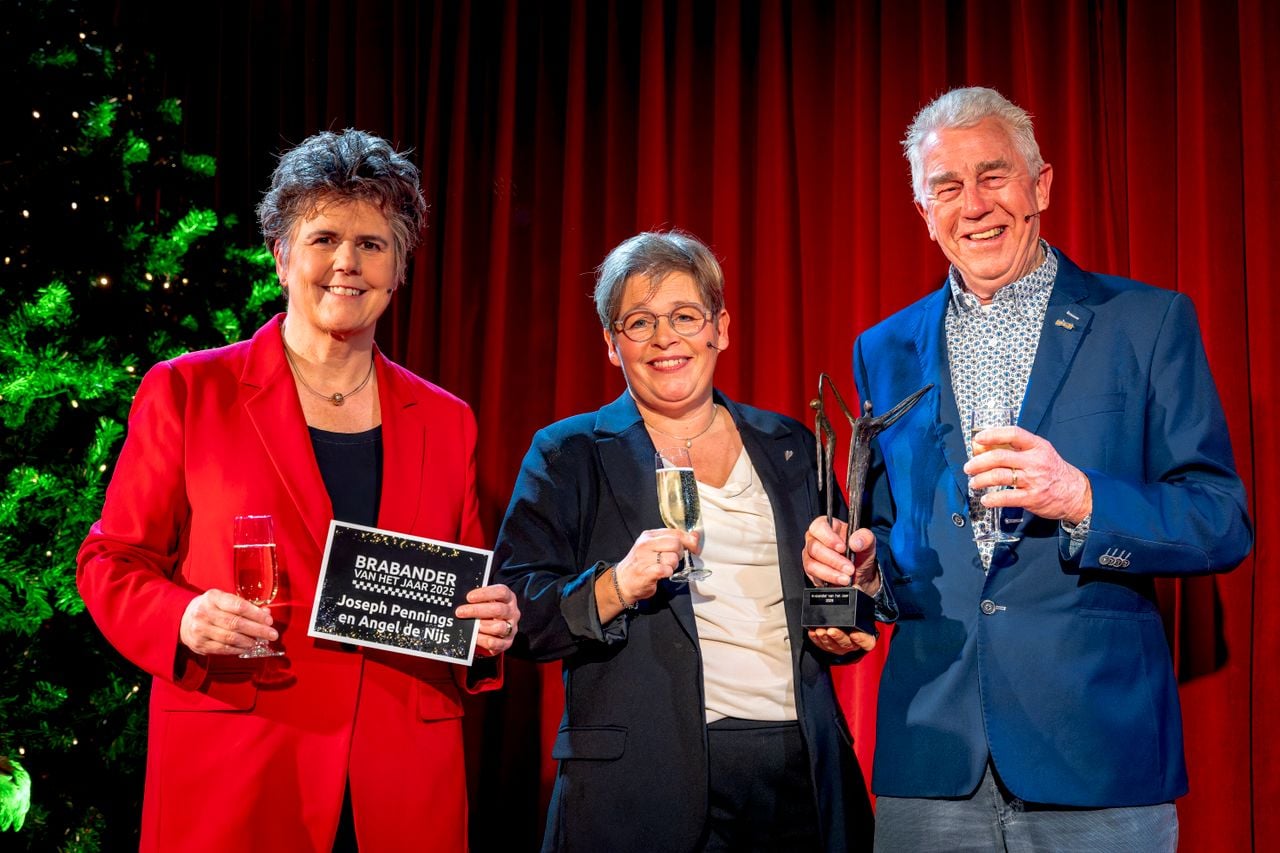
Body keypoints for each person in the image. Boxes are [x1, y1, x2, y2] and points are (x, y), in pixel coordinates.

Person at [803, 86, 1253, 851]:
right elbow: (887, 531)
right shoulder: (882, 347)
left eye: (993, 175)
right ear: (924, 210)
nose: (973, 204)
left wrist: (1080, 497)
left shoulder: (1145, 323)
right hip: (932, 759)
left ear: (1040, 184)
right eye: (947, 187)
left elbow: (1220, 518)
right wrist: (867, 570)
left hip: (1096, 755)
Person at [77, 129, 521, 852]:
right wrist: (182, 618)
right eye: (323, 238)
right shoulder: (189, 391)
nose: (347, 262)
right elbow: (109, 562)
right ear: (283, 255)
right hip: (243, 770)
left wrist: (486, 627)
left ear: (400, 268)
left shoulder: (448, 421)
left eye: (373, 244)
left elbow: (457, 594)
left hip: (401, 784)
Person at [493, 230, 875, 852]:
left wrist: (848, 614)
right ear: (612, 346)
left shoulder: (789, 446)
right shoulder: (568, 454)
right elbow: (515, 614)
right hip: (639, 787)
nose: (665, 338)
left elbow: (836, 597)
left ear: (719, 328)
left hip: (796, 773)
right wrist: (615, 585)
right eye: (639, 322)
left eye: (684, 316)